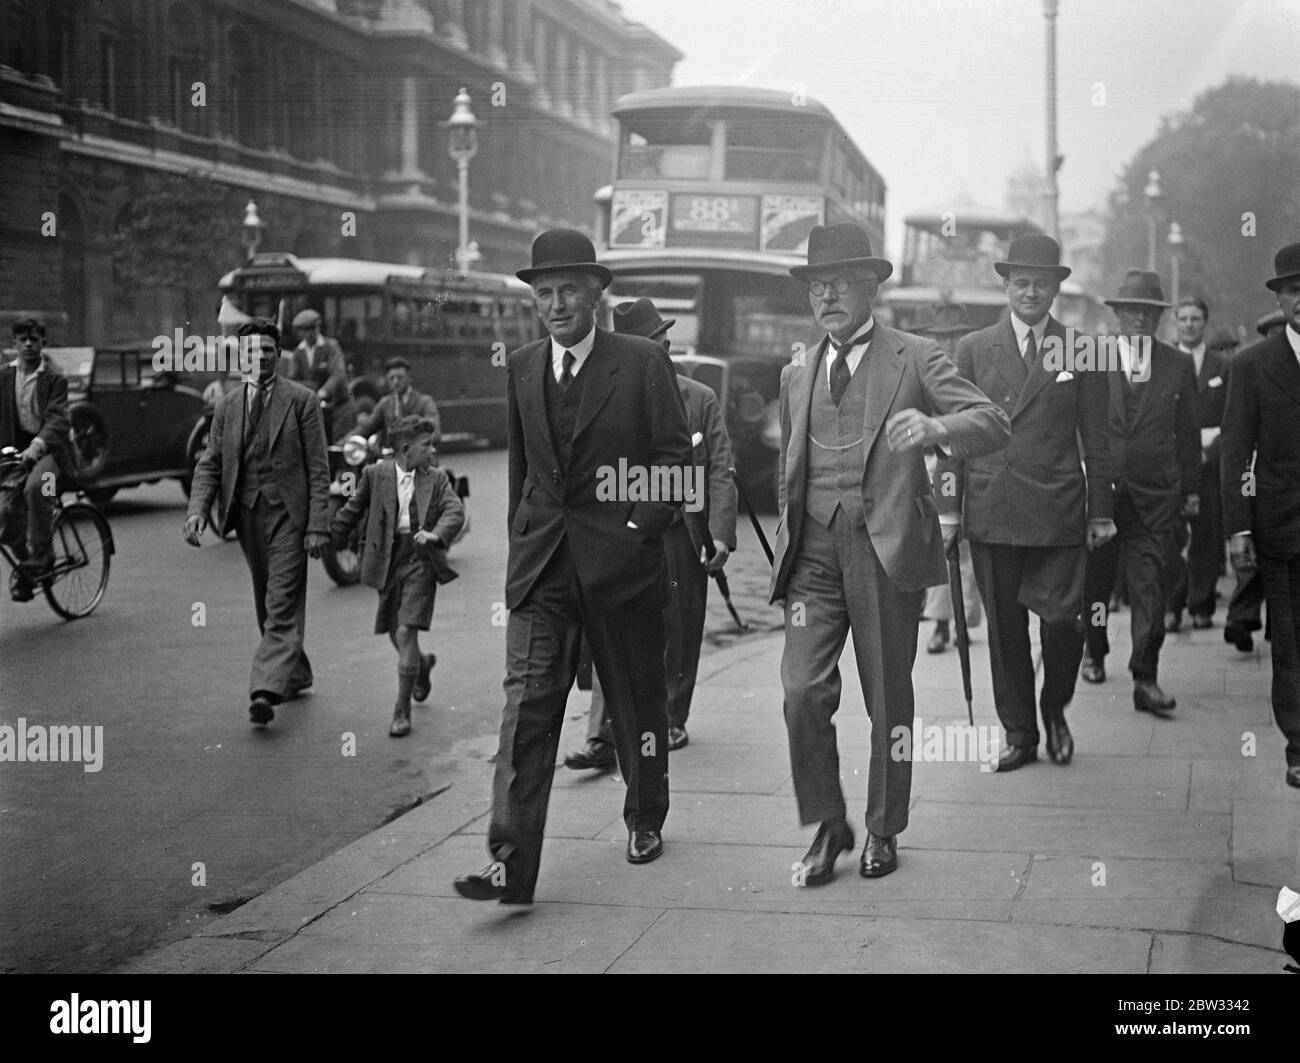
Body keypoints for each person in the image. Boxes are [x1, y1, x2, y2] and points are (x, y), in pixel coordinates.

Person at [453, 230, 692, 905]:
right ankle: (511, 863)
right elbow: (523, 470)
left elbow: (677, 465)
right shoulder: (524, 365)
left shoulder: (642, 362)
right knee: (526, 710)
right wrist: (520, 547)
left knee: (635, 702)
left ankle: (646, 818)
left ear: (595, 295)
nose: (556, 304)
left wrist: (641, 533)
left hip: (621, 567)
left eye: (568, 292)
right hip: (543, 569)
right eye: (544, 294)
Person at [772, 223, 1010, 883]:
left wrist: (938, 427)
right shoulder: (798, 373)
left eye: (841, 283)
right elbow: (791, 468)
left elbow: (993, 421)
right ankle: (828, 825)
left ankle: (883, 827)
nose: (827, 297)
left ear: (870, 287)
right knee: (800, 692)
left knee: (887, 698)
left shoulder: (917, 356)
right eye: (818, 286)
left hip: (887, 550)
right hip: (814, 555)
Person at [937, 234, 1116, 771]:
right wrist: (949, 510)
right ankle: (1021, 733)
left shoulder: (1080, 347)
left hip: (1059, 507)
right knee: (1005, 630)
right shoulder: (972, 348)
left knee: (1064, 623)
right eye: (1020, 282)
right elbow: (954, 437)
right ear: (1006, 285)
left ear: (1057, 288)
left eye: (1041, 282)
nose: (1030, 292)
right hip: (994, 507)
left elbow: (1098, 438)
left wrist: (1101, 511)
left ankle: (1054, 706)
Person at [564, 298, 737, 767]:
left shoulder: (699, 399)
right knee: (612, 629)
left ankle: (671, 718)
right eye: (645, 345)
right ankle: (602, 735)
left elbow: (720, 470)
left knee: (679, 629)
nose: (656, 353)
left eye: (660, 343)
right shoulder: (606, 397)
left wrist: (719, 536)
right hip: (625, 534)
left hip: (683, 531)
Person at [183, 319, 331, 727]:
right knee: (266, 597)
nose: (260, 356)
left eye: (268, 349)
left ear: (278, 354)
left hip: (288, 514)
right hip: (247, 512)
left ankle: (265, 688)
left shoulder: (302, 400)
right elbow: (211, 462)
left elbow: (319, 468)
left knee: (281, 600)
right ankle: (296, 672)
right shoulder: (228, 406)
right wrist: (197, 511)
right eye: (252, 350)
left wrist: (318, 524)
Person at [1080, 270, 1200, 715]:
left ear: (1159, 318)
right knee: (1095, 584)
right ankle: (1094, 651)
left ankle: (1145, 678)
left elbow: (1187, 434)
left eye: (1149, 313)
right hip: (1102, 495)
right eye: (1132, 311)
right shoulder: (1092, 357)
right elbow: (1076, 425)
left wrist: (1190, 491)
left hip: (1155, 495)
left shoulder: (1176, 364)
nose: (1140, 320)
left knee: (1150, 587)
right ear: (1117, 314)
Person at [1220, 241, 1300, 789]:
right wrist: (1239, 526)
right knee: (1290, 643)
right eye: (1295, 292)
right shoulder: (1253, 365)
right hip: (1282, 526)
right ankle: (1298, 745)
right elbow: (1234, 451)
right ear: (1281, 300)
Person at [329, 415, 464, 737]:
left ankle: (401, 711)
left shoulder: (438, 477)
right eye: (426, 445)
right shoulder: (375, 474)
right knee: (395, 632)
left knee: (405, 632)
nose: (432, 451)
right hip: (386, 559)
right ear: (406, 449)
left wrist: (436, 534)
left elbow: (454, 510)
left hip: (421, 559)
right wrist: (328, 536)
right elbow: (353, 509)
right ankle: (422, 666)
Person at [911, 302, 983, 654]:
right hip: (932, 464)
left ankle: (964, 621)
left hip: (971, 461)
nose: (947, 344)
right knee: (941, 542)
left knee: (968, 545)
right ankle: (939, 622)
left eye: (953, 337)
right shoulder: (921, 374)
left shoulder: (972, 373)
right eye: (940, 338)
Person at [1165, 297, 1230, 632]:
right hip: (1173, 462)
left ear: (1205, 323)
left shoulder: (1222, 366)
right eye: (1184, 319)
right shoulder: (1164, 363)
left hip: (1209, 461)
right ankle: (1172, 605)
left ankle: (1201, 604)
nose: (1189, 325)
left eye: (1196, 319)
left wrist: (1211, 451)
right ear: (1175, 323)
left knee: (1206, 533)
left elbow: (1233, 417)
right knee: (1171, 535)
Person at [0, 318, 74, 601]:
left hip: (51, 451)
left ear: (43, 343)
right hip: (15, 451)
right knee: (5, 515)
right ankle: (28, 567)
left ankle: (43, 557)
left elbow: (58, 419)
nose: (28, 344)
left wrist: (38, 445)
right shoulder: (5, 376)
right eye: (22, 339)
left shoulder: (55, 378)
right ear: (14, 344)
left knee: (37, 488)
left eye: (34, 339)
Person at [286, 308, 351, 440]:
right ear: (300, 332)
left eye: (313, 328)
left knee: (337, 442)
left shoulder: (331, 346)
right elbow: (293, 378)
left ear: (318, 328)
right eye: (305, 330)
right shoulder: (298, 352)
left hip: (337, 407)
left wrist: (324, 391)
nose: (310, 333)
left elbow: (338, 374)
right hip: (315, 407)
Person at [355, 357, 441, 448]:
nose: (395, 382)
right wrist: (343, 442)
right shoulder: (385, 403)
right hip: (391, 459)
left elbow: (434, 434)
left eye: (400, 377)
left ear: (409, 378)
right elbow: (366, 428)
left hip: (419, 459)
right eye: (391, 378)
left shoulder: (425, 402)